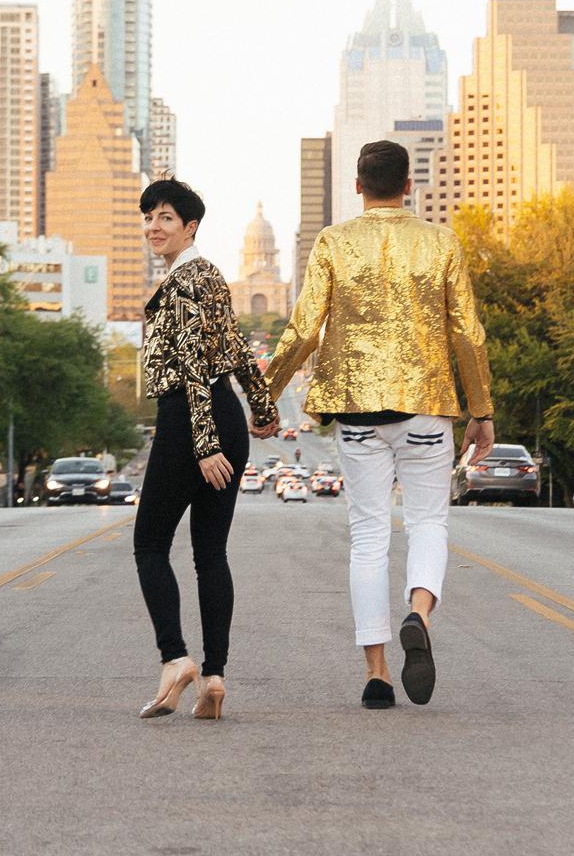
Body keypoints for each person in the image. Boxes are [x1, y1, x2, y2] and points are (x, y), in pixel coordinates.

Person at [263, 140, 494, 709]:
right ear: (409, 186)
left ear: (359, 187)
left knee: (368, 537)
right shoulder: (441, 241)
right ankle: (418, 613)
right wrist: (482, 410)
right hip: (426, 408)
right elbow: (468, 333)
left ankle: (377, 675)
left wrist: (264, 397)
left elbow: (303, 331)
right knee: (427, 524)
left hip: (359, 412)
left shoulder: (334, 242)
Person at [132, 179, 277, 722]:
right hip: (223, 416)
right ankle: (214, 677)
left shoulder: (185, 281)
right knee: (209, 554)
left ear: (190, 227)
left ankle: (175, 659)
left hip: (190, 419)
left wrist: (204, 444)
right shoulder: (210, 274)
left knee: (149, 544)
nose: (154, 226)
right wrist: (261, 408)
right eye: (149, 216)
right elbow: (236, 347)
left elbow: (193, 363)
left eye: (166, 217)